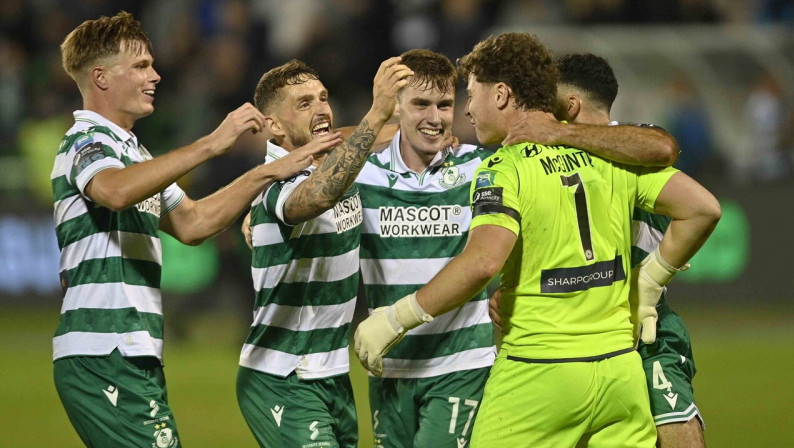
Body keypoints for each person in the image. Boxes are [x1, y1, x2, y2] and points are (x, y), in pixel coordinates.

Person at [354, 32, 720, 447]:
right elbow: (703, 207)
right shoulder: (608, 154)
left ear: (501, 94)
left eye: (471, 94)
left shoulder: (502, 168)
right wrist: (648, 281)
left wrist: (395, 319)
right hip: (619, 375)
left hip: (538, 371)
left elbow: (482, 262)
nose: (466, 110)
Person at [51, 12, 330, 448]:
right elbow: (114, 191)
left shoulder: (135, 153)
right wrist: (210, 144)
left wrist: (266, 174)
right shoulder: (85, 142)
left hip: (130, 349)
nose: (155, 75)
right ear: (101, 77)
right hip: (103, 347)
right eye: (141, 66)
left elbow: (194, 223)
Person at [237, 57, 412, 448]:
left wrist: (422, 128)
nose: (321, 109)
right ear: (274, 126)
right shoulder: (274, 183)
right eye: (304, 104)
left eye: (323, 98)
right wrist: (377, 114)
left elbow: (347, 144)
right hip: (283, 374)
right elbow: (315, 197)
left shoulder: (334, 163)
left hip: (331, 373)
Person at [356, 49, 495, 448]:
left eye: (444, 105)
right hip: (389, 365)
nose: (435, 118)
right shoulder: (362, 173)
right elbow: (308, 170)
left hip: (460, 362)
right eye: (421, 104)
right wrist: (257, 213)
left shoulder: (479, 167)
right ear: (396, 106)